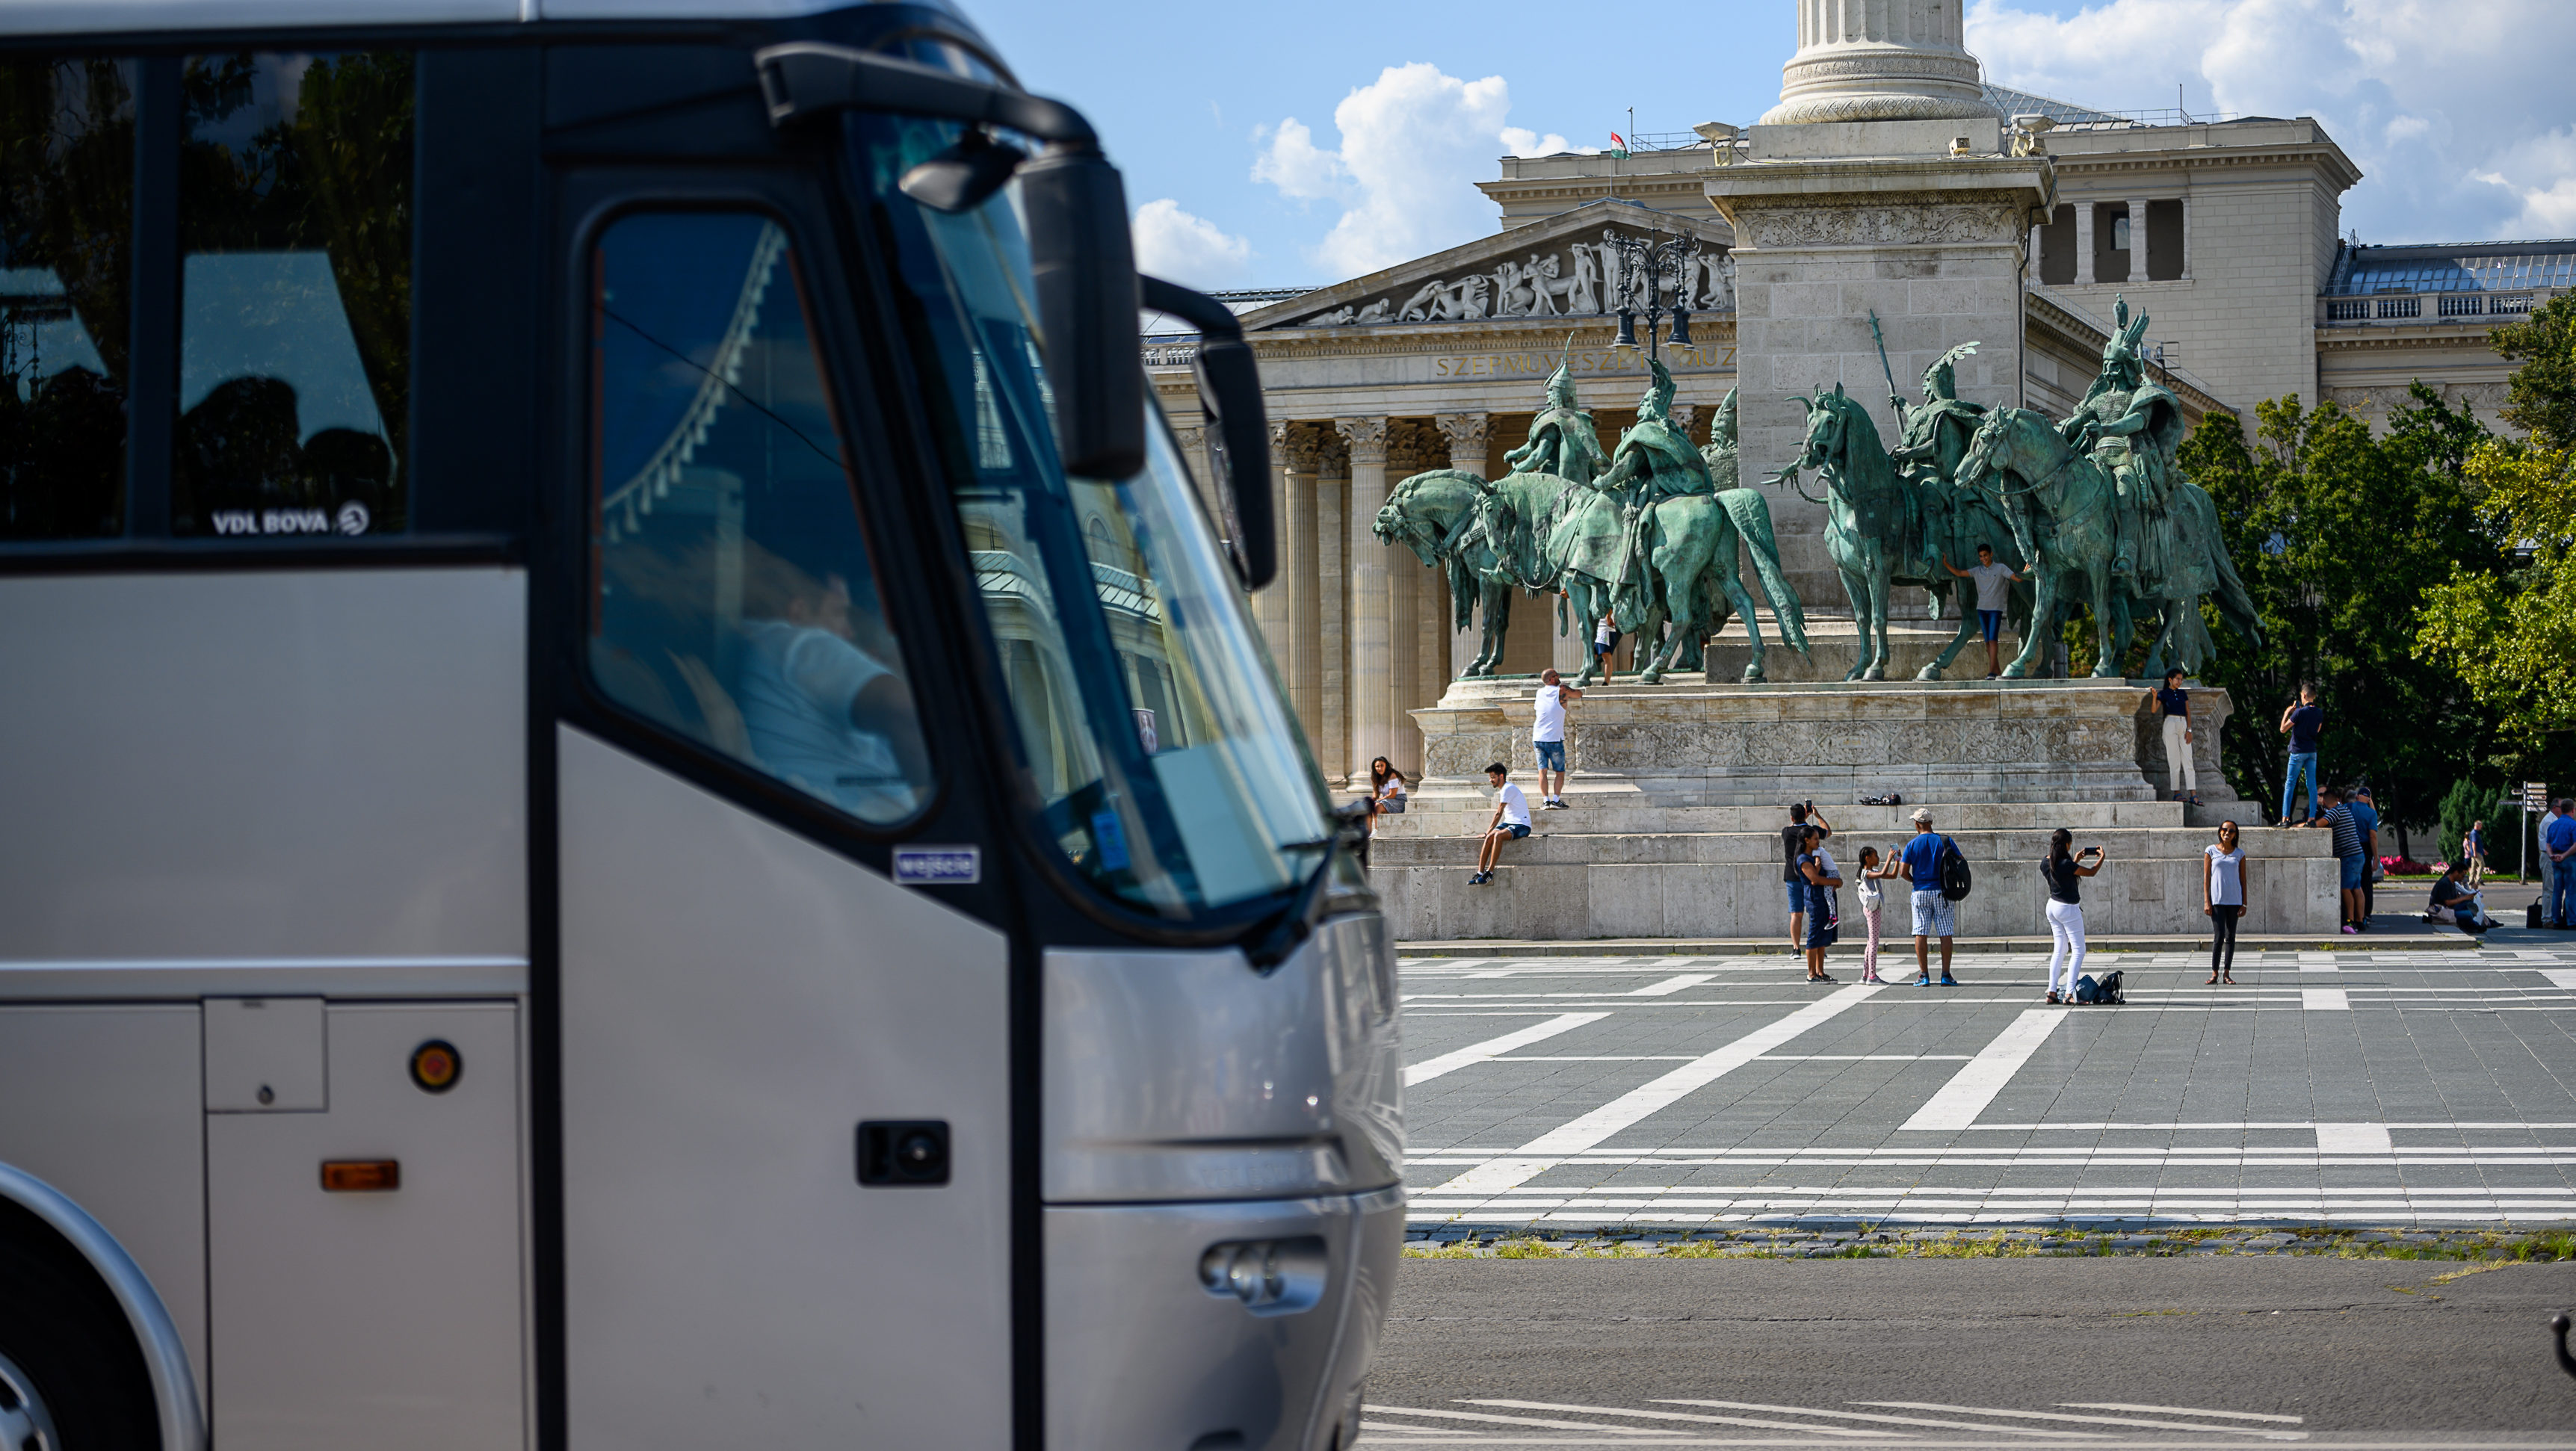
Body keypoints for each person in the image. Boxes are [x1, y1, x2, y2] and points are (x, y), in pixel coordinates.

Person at [738, 564, 928, 821]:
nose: (849, 632)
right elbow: (902, 708)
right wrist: (929, 802)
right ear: (799, 612)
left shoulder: (760, 646)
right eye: (839, 613)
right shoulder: (802, 644)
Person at [1897, 807, 1961, 986]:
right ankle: (1946, 975)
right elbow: (1960, 861)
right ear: (1931, 823)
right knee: (1946, 933)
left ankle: (1924, 975)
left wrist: (1914, 880)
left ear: (1917, 824)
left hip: (1920, 891)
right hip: (1942, 891)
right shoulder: (1945, 841)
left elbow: (1903, 872)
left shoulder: (1912, 845)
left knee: (1920, 932)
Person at [1942, 544, 2024, 679]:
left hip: (1995, 610)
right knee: (1987, 642)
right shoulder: (1977, 571)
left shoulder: (2000, 568)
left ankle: (1991, 672)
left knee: (1993, 640)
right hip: (1982, 609)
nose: (1983, 558)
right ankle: (1997, 671)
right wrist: (1945, 563)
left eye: (1985, 555)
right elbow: (1959, 573)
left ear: (1991, 554)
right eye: (1981, 556)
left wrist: (2027, 569)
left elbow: (2018, 578)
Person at [2042, 828, 2104, 1004]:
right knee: (2078, 950)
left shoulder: (2045, 862)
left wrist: (2075, 860)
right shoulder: (2066, 864)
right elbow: (2091, 872)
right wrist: (2102, 857)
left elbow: (2060, 875)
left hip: (2052, 907)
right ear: (2067, 845)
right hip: (2068, 909)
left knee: (2059, 949)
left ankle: (2052, 992)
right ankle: (2069, 994)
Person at [2307, 785, 2365, 932]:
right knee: (2356, 888)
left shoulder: (2334, 813)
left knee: (2346, 889)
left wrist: (2305, 824)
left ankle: (2350, 922)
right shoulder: (2344, 810)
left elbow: (2317, 825)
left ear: (2325, 802)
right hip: (2358, 854)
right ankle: (2360, 921)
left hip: (2349, 856)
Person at [2143, 666, 2198, 807]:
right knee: (2174, 761)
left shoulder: (2182, 694)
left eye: (2181, 679)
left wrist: (2189, 730)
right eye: (2177, 679)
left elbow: (2188, 712)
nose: (2180, 682)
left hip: (2183, 724)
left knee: (2188, 759)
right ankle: (2177, 793)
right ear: (2170, 679)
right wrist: (2155, 697)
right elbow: (2154, 710)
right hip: (2170, 724)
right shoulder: (2164, 694)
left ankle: (2194, 794)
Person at [1468, 762, 1531, 885]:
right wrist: (1488, 834)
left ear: (1501, 776)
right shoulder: (1505, 789)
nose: (1491, 780)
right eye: (1490, 777)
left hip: (1522, 826)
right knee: (1491, 836)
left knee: (1497, 835)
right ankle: (1480, 873)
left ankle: (1490, 873)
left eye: (1493, 777)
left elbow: (1498, 813)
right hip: (1510, 823)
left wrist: (1488, 831)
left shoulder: (1508, 788)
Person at [2204, 819, 2249, 985]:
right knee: (2219, 935)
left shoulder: (2239, 854)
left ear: (2235, 834)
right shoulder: (2211, 851)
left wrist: (2244, 903)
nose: (2227, 833)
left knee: (2231, 936)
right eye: (2224, 830)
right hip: (2216, 900)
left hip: (2234, 900)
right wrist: (2206, 901)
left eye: (2231, 831)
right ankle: (2215, 973)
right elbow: (2207, 878)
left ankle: (2227, 973)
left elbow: (2243, 879)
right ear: (2219, 831)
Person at [1783, 802, 1832, 950]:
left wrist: (1802, 817)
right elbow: (1828, 831)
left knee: (1796, 914)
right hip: (1811, 875)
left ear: (1792, 818)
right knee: (1815, 913)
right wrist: (1816, 816)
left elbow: (1794, 826)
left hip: (1792, 876)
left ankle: (1796, 948)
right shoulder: (1812, 832)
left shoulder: (1786, 832)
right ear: (1806, 814)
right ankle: (1818, 947)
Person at [1797, 826, 1843, 982]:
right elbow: (1815, 879)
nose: (1818, 841)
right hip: (1815, 899)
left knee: (1823, 937)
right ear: (1807, 840)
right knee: (1814, 936)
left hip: (1824, 899)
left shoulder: (1816, 856)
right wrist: (1835, 881)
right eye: (1815, 839)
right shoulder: (1804, 859)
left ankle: (1820, 971)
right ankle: (1811, 973)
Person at [1531, 668, 1581, 809]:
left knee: (1543, 771)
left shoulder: (1539, 692)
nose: (1559, 677)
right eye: (1557, 675)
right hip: (1554, 737)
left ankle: (1545, 801)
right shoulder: (1562, 690)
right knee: (1560, 772)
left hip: (1538, 737)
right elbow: (1578, 694)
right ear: (1552, 679)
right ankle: (1556, 800)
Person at [2278, 683, 2323, 825]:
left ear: (2304, 695)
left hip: (2298, 751)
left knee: (2290, 784)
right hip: (2311, 751)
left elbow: (2283, 729)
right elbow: (2317, 730)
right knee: (2312, 785)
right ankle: (2311, 818)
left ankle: (2285, 818)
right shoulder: (2319, 712)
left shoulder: (2299, 712)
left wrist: (2287, 713)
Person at [1854, 844, 1897, 984]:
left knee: (1870, 942)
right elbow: (1881, 874)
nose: (1878, 858)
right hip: (1873, 909)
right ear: (1868, 858)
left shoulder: (1872, 871)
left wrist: (1897, 861)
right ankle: (1872, 975)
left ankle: (1866, 974)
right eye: (1876, 856)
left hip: (1873, 908)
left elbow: (1892, 875)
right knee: (1874, 942)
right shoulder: (1866, 873)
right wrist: (1889, 858)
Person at [2347, 785, 2382, 919]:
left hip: (2350, 846)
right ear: (2369, 799)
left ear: (2357, 797)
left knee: (2351, 881)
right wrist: (2376, 857)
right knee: (2366, 882)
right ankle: (2366, 912)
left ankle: (2353, 913)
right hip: (2365, 848)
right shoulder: (2371, 813)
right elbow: (2373, 835)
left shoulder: (2349, 808)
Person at [2427, 861, 2490, 933]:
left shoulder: (2452, 882)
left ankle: (2471, 924)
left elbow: (2454, 899)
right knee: (2468, 914)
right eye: (2462, 875)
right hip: (2440, 911)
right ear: (2456, 872)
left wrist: (2463, 898)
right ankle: (2472, 926)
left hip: (2448, 909)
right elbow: (2448, 902)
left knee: (2470, 905)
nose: (2463, 878)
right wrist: (2464, 898)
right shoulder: (2445, 883)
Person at [2548, 798, 2576, 929]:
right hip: (2569, 859)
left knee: (2557, 892)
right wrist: (2564, 855)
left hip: (2555, 860)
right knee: (2571, 891)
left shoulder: (2553, 825)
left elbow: (2548, 844)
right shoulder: (2573, 825)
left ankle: (2556, 920)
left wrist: (2552, 855)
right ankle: (2572, 921)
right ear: (2573, 810)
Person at [1592, 613, 1619, 684]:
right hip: (1598, 629)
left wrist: (1609, 617)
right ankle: (1587, 676)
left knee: (1606, 656)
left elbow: (1610, 606)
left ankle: (1606, 682)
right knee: (1592, 655)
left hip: (1606, 630)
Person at [2465, 819, 2487, 890]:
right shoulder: (2474, 833)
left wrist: (2484, 851)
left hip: (2478, 851)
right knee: (2482, 864)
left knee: (2473, 866)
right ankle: (2478, 879)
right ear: (2477, 825)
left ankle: (2471, 880)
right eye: (2481, 826)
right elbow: (2473, 843)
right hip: (2476, 852)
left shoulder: (2475, 833)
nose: (2481, 827)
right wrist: (2474, 852)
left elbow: (2478, 844)